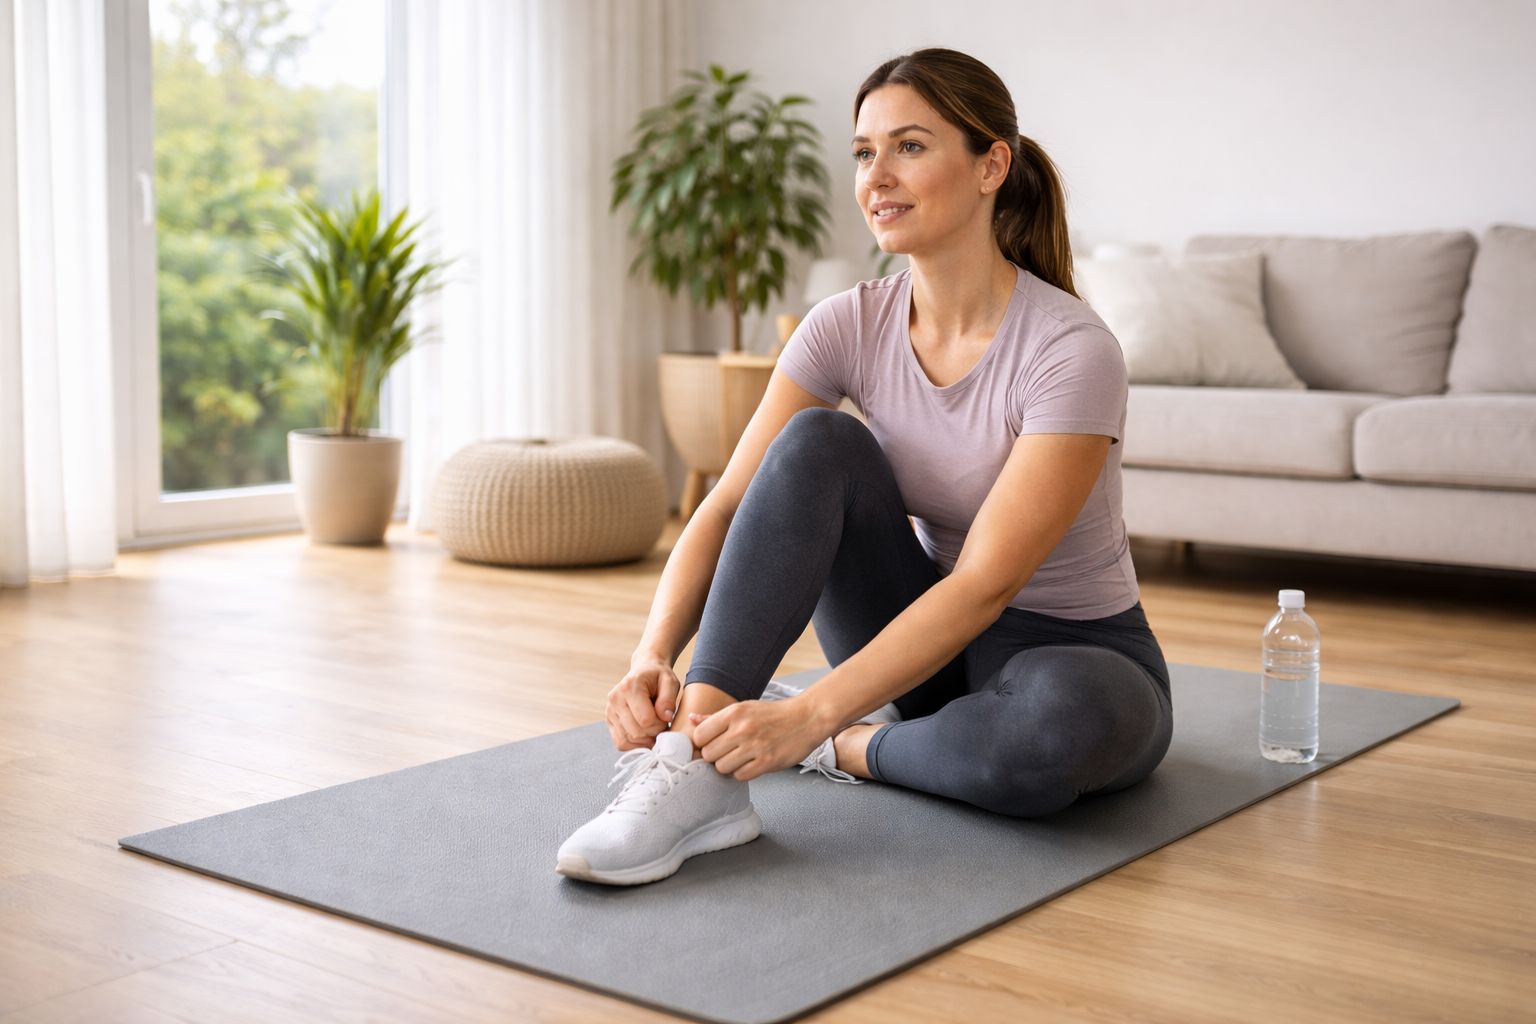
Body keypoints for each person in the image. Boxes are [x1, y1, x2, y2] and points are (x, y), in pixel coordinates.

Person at [556, 47, 1173, 886]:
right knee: (815, 445)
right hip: (916, 635)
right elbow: (731, 504)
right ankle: (697, 768)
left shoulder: (1070, 349)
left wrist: (812, 720)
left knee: (1046, 737)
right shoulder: (846, 323)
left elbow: (987, 584)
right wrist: (651, 653)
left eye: (910, 147)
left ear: (992, 164)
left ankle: (856, 746)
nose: (877, 175)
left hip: (1073, 654)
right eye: (863, 152)